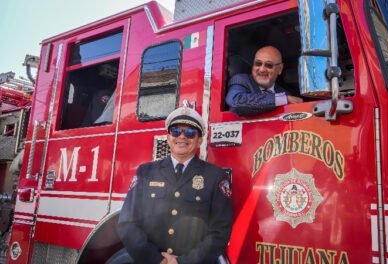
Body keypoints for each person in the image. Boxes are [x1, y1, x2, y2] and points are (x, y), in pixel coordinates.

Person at [118, 106, 233, 264]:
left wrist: (184, 262)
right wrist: (157, 260)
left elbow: (220, 231)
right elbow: (127, 222)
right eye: (176, 131)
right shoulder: (145, 172)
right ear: (168, 137)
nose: (182, 137)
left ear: (199, 140)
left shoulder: (216, 177)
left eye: (191, 133)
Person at [225, 46, 303, 116]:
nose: (262, 69)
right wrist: (282, 100)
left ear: (279, 69)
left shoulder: (285, 94)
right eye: (258, 63)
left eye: (269, 65)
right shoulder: (241, 80)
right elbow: (235, 101)